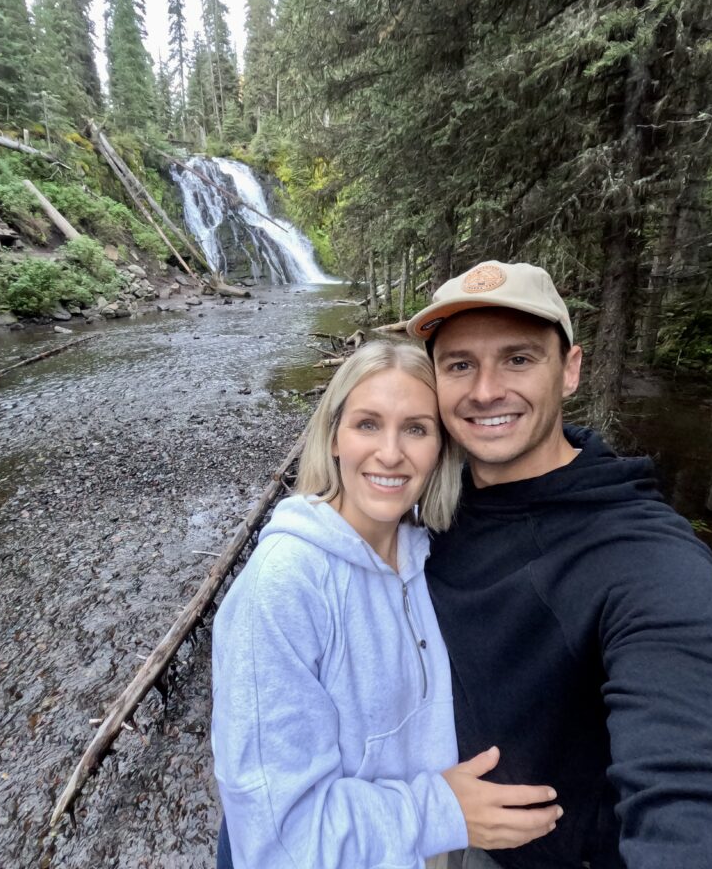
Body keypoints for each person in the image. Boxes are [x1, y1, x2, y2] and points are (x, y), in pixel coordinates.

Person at [406, 260, 712, 869]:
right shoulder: (427, 497)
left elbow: (707, 777)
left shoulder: (641, 555)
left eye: (518, 359)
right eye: (459, 365)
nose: (485, 389)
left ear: (570, 370)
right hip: (438, 807)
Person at [211, 341, 562, 869]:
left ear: (440, 448)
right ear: (333, 437)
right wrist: (441, 813)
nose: (392, 453)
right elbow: (277, 840)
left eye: (417, 429)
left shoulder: (427, 554)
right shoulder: (284, 586)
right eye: (368, 424)